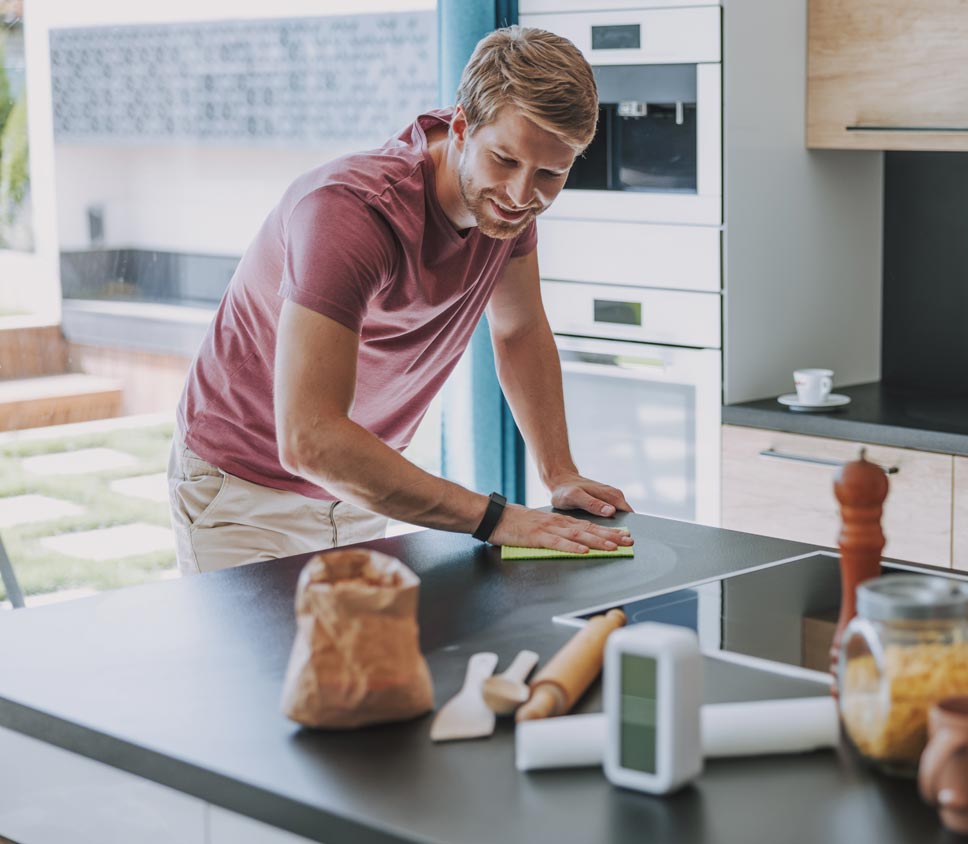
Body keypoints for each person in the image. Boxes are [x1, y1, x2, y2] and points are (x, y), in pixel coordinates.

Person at [167, 26, 633, 575]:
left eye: (551, 173)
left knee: (366, 659)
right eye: (504, 160)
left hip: (357, 486)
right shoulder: (350, 214)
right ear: (461, 128)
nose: (521, 194)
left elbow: (519, 330)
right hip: (244, 491)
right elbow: (309, 439)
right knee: (272, 665)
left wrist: (560, 472)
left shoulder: (506, 211)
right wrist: (497, 519)